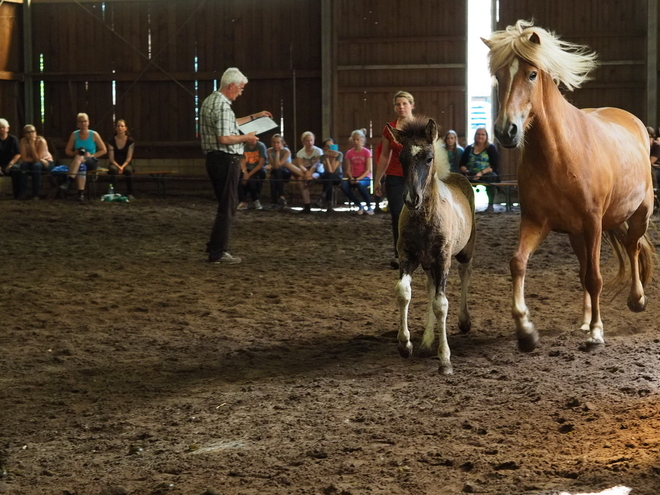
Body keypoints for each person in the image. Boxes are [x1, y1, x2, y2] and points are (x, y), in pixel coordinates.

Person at [200, 67, 272, 264]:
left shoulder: (211, 101)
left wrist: (254, 116)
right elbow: (224, 137)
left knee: (227, 204)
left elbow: (229, 123)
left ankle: (214, 246)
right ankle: (217, 251)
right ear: (231, 86)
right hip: (226, 159)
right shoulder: (223, 106)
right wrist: (247, 137)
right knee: (228, 206)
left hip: (214, 160)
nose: (241, 92)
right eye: (240, 88)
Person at [374, 91, 416, 269]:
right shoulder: (389, 129)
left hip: (416, 179)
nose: (401, 107)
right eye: (398, 104)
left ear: (412, 105)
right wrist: (377, 180)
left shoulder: (420, 127)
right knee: (397, 215)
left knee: (418, 216)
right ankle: (400, 254)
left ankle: (418, 253)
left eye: (404, 103)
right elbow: (384, 156)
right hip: (395, 177)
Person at [62, 113, 107, 201]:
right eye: (81, 122)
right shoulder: (74, 135)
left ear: (88, 122)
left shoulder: (94, 134)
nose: (83, 124)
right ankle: (80, 194)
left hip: (91, 161)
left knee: (79, 158)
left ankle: (69, 181)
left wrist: (92, 155)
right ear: (78, 124)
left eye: (85, 121)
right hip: (78, 162)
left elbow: (104, 150)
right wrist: (75, 153)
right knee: (81, 164)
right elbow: (67, 151)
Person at [459, 127, 500, 212]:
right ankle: (467, 204)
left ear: (486, 136)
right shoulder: (469, 148)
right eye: (478, 134)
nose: (480, 136)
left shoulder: (490, 148)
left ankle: (490, 205)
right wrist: (466, 171)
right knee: (461, 179)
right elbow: (462, 164)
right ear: (475, 136)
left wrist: (481, 173)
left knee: (492, 177)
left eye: (482, 134)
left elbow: (494, 165)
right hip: (471, 174)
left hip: (486, 174)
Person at [286, 131, 322, 213]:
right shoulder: (300, 152)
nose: (309, 142)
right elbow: (301, 165)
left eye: (311, 140)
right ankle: (307, 205)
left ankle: (310, 179)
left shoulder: (318, 151)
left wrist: (310, 173)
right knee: (300, 179)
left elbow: (316, 164)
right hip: (305, 172)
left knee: (303, 178)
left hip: (316, 171)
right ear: (303, 142)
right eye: (307, 141)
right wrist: (306, 172)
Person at [341, 128, 374, 215]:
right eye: (354, 139)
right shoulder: (349, 153)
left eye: (357, 139)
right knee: (344, 186)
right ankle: (359, 205)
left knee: (360, 185)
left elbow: (368, 170)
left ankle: (369, 206)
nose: (356, 141)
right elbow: (347, 169)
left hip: (365, 177)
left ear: (362, 140)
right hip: (353, 176)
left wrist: (359, 179)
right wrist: (351, 178)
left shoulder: (367, 152)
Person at [18, 125, 54, 200]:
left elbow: (37, 159)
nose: (30, 134)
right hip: (36, 161)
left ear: (36, 132)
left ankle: (36, 194)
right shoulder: (23, 141)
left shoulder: (41, 141)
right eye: (28, 132)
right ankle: (23, 193)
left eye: (32, 132)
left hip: (47, 163)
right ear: (24, 134)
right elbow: (24, 158)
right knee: (23, 165)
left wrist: (31, 145)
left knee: (36, 166)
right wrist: (40, 160)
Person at [107, 119, 135, 199]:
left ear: (126, 128)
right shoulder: (111, 141)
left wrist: (122, 167)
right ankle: (112, 192)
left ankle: (130, 193)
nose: (120, 128)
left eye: (122, 126)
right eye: (118, 126)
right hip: (114, 163)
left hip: (126, 163)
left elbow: (129, 158)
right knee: (113, 170)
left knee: (128, 171)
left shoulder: (130, 141)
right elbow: (111, 158)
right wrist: (118, 166)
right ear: (116, 128)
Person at [237, 140, 268, 210]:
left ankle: (255, 200)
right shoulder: (244, 147)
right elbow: (242, 162)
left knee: (252, 181)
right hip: (247, 169)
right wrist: (245, 172)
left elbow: (260, 164)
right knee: (239, 179)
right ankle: (243, 201)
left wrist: (248, 175)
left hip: (258, 169)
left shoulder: (261, 146)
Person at [315, 137, 343, 212]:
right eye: (327, 146)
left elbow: (332, 170)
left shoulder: (339, 155)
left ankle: (322, 197)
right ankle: (329, 205)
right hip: (327, 176)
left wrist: (333, 158)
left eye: (331, 146)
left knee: (329, 177)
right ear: (324, 148)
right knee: (328, 178)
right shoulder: (322, 157)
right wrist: (327, 158)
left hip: (337, 177)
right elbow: (328, 170)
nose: (330, 148)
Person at [266, 134, 292, 210]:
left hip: (286, 173)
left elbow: (278, 166)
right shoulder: (269, 151)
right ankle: (281, 198)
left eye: (278, 142)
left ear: (282, 143)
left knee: (276, 173)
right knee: (273, 177)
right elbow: (273, 165)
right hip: (275, 172)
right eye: (274, 142)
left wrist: (277, 153)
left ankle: (275, 201)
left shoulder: (286, 151)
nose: (276, 144)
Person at [0, 118, 22, 200]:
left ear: (7, 128)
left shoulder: (13, 139)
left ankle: (17, 195)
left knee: (16, 170)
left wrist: (10, 164)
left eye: (3, 127)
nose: (1, 129)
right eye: (0, 127)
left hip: (11, 164)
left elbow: (18, 154)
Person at [649, 126, 660, 192]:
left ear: (653, 138)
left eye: (650, 137)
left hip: (658, 169)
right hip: (653, 166)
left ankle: (654, 191)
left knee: (651, 171)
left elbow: (650, 162)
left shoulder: (657, 147)